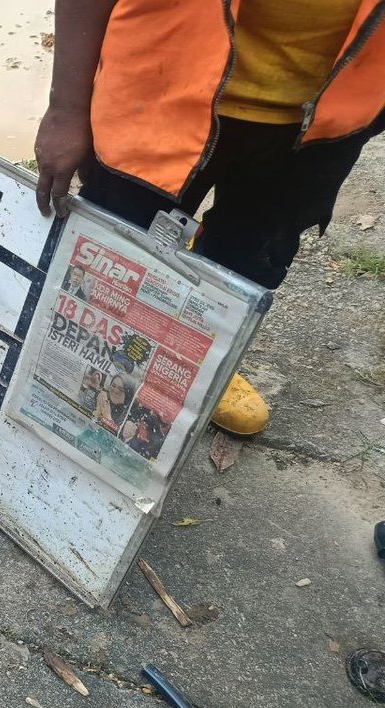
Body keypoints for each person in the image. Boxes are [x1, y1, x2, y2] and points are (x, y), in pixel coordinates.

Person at [34, 0, 385, 436]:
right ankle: (69, 379)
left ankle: (197, 367)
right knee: (112, 261)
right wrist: (67, 107)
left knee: (247, 263)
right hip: (157, 93)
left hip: (319, 122)